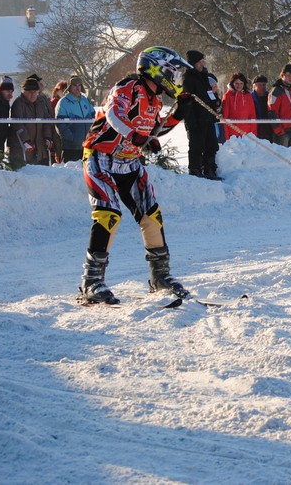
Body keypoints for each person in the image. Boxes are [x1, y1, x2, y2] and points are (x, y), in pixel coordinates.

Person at [78, 46, 194, 305]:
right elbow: (114, 115)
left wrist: (177, 114)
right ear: (157, 69)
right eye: (172, 72)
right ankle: (91, 281)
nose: (174, 79)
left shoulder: (154, 99)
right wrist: (137, 136)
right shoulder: (128, 86)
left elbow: (153, 131)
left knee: (151, 215)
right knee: (108, 214)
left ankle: (160, 277)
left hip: (129, 162)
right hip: (101, 157)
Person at [181, 50, 221, 179]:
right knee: (196, 147)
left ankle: (209, 169)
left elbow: (209, 96)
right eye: (200, 62)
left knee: (212, 145)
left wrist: (216, 100)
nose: (202, 64)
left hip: (208, 118)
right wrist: (191, 122)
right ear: (193, 63)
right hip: (197, 119)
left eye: (203, 61)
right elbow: (186, 101)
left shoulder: (204, 77)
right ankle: (195, 171)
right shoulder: (188, 78)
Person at [7, 76, 54, 168]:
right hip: (21, 148)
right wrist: (25, 140)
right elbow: (17, 123)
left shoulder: (41, 102)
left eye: (35, 92)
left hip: (39, 147)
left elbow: (46, 121)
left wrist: (48, 137)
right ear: (24, 91)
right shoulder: (18, 104)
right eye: (29, 92)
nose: (33, 94)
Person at [55, 75, 95, 163]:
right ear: (69, 87)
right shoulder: (63, 102)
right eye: (74, 85)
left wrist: (92, 134)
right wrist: (71, 138)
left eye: (79, 85)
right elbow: (60, 124)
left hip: (87, 145)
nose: (77, 88)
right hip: (71, 147)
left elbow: (93, 117)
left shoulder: (84, 100)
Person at [268, 63, 291, 147]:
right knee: (282, 157)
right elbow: (272, 112)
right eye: (288, 75)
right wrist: (279, 131)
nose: (290, 78)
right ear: (282, 75)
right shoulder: (276, 91)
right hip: (283, 133)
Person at [222, 72, 258, 140]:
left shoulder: (248, 96)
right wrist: (226, 137)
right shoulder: (227, 96)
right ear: (232, 83)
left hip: (246, 134)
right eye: (237, 83)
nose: (239, 86)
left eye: (241, 83)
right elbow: (225, 117)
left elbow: (252, 115)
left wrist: (254, 134)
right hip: (232, 135)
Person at [49, 80, 69, 163]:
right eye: (62, 91)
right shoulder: (54, 102)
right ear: (57, 91)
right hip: (55, 129)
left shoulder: (66, 102)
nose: (64, 93)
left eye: (66, 91)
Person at [0, 77, 15, 153]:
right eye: (7, 90)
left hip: (0, 138)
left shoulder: (5, 102)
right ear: (1, 90)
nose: (10, 93)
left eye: (11, 91)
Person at [251, 75, 273, 142]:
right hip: (256, 127)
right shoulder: (250, 98)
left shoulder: (270, 97)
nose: (262, 87)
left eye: (264, 85)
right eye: (260, 85)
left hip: (268, 128)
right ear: (254, 86)